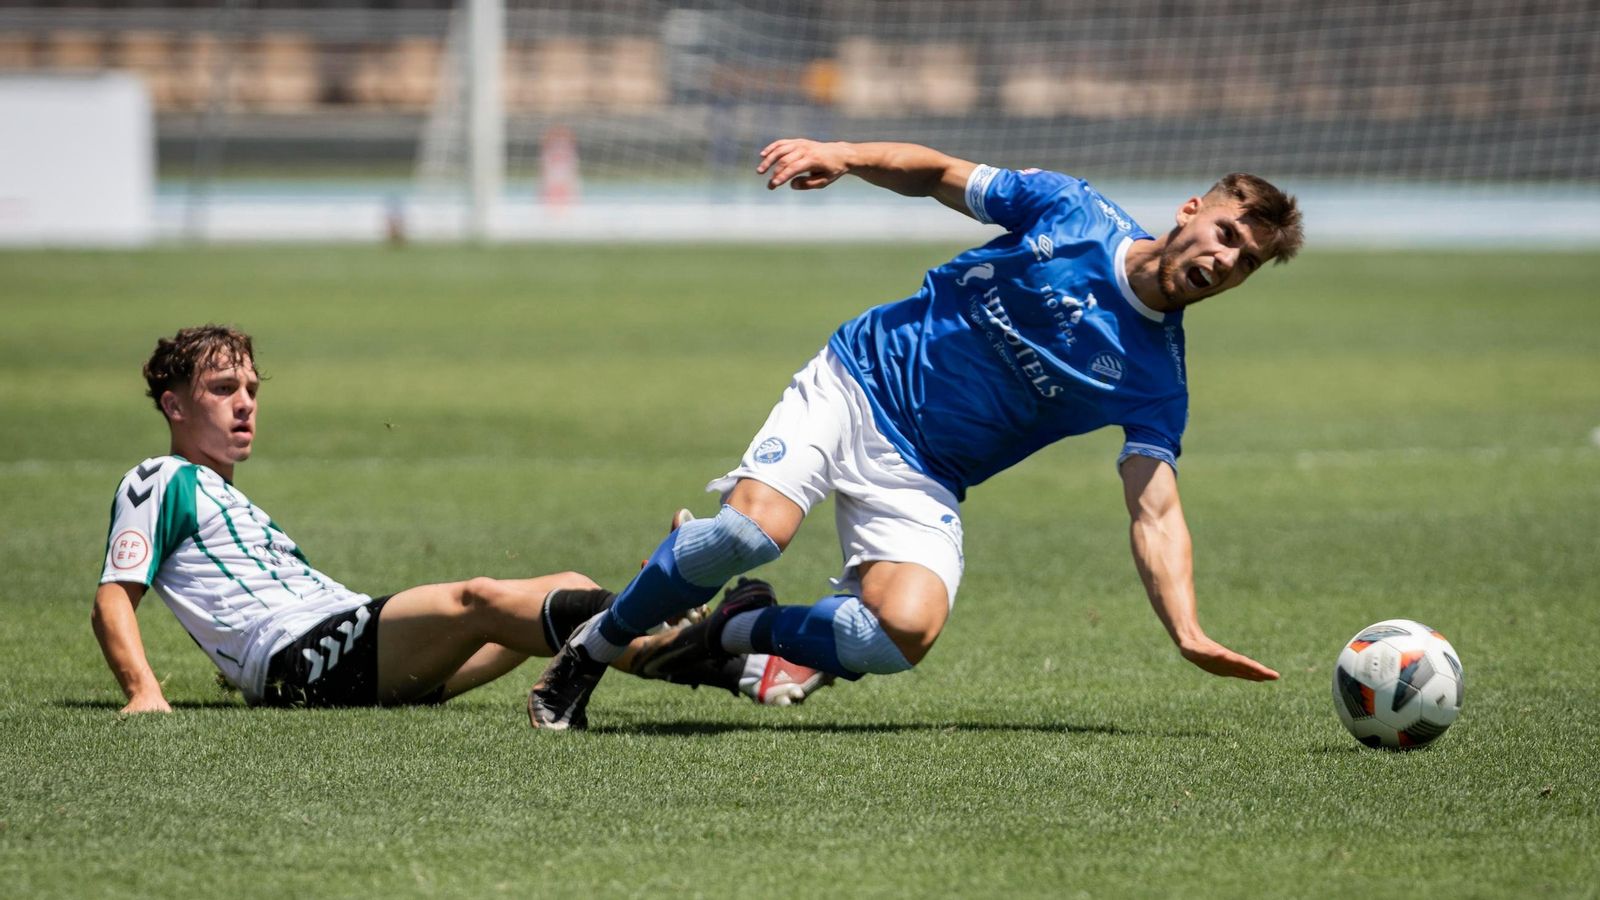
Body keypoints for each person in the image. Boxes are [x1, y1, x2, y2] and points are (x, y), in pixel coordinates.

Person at [528, 138, 1303, 730]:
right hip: (858, 380)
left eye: (1244, 260)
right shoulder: (1072, 210)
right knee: (748, 534)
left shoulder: (1158, 380)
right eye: (1227, 232)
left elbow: (1155, 511)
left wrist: (1189, 631)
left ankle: (736, 628)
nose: (1223, 258)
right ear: (1190, 211)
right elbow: (937, 174)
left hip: (925, 472)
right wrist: (844, 155)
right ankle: (590, 652)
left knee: (901, 632)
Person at [94, 325, 826, 717]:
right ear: (174, 405)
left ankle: (717, 652)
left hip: (344, 650)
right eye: (223, 389)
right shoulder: (161, 480)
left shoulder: (231, 499)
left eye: (251, 388)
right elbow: (113, 598)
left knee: (564, 588)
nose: (246, 402)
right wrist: (144, 692)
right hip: (302, 661)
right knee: (474, 596)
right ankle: (712, 642)